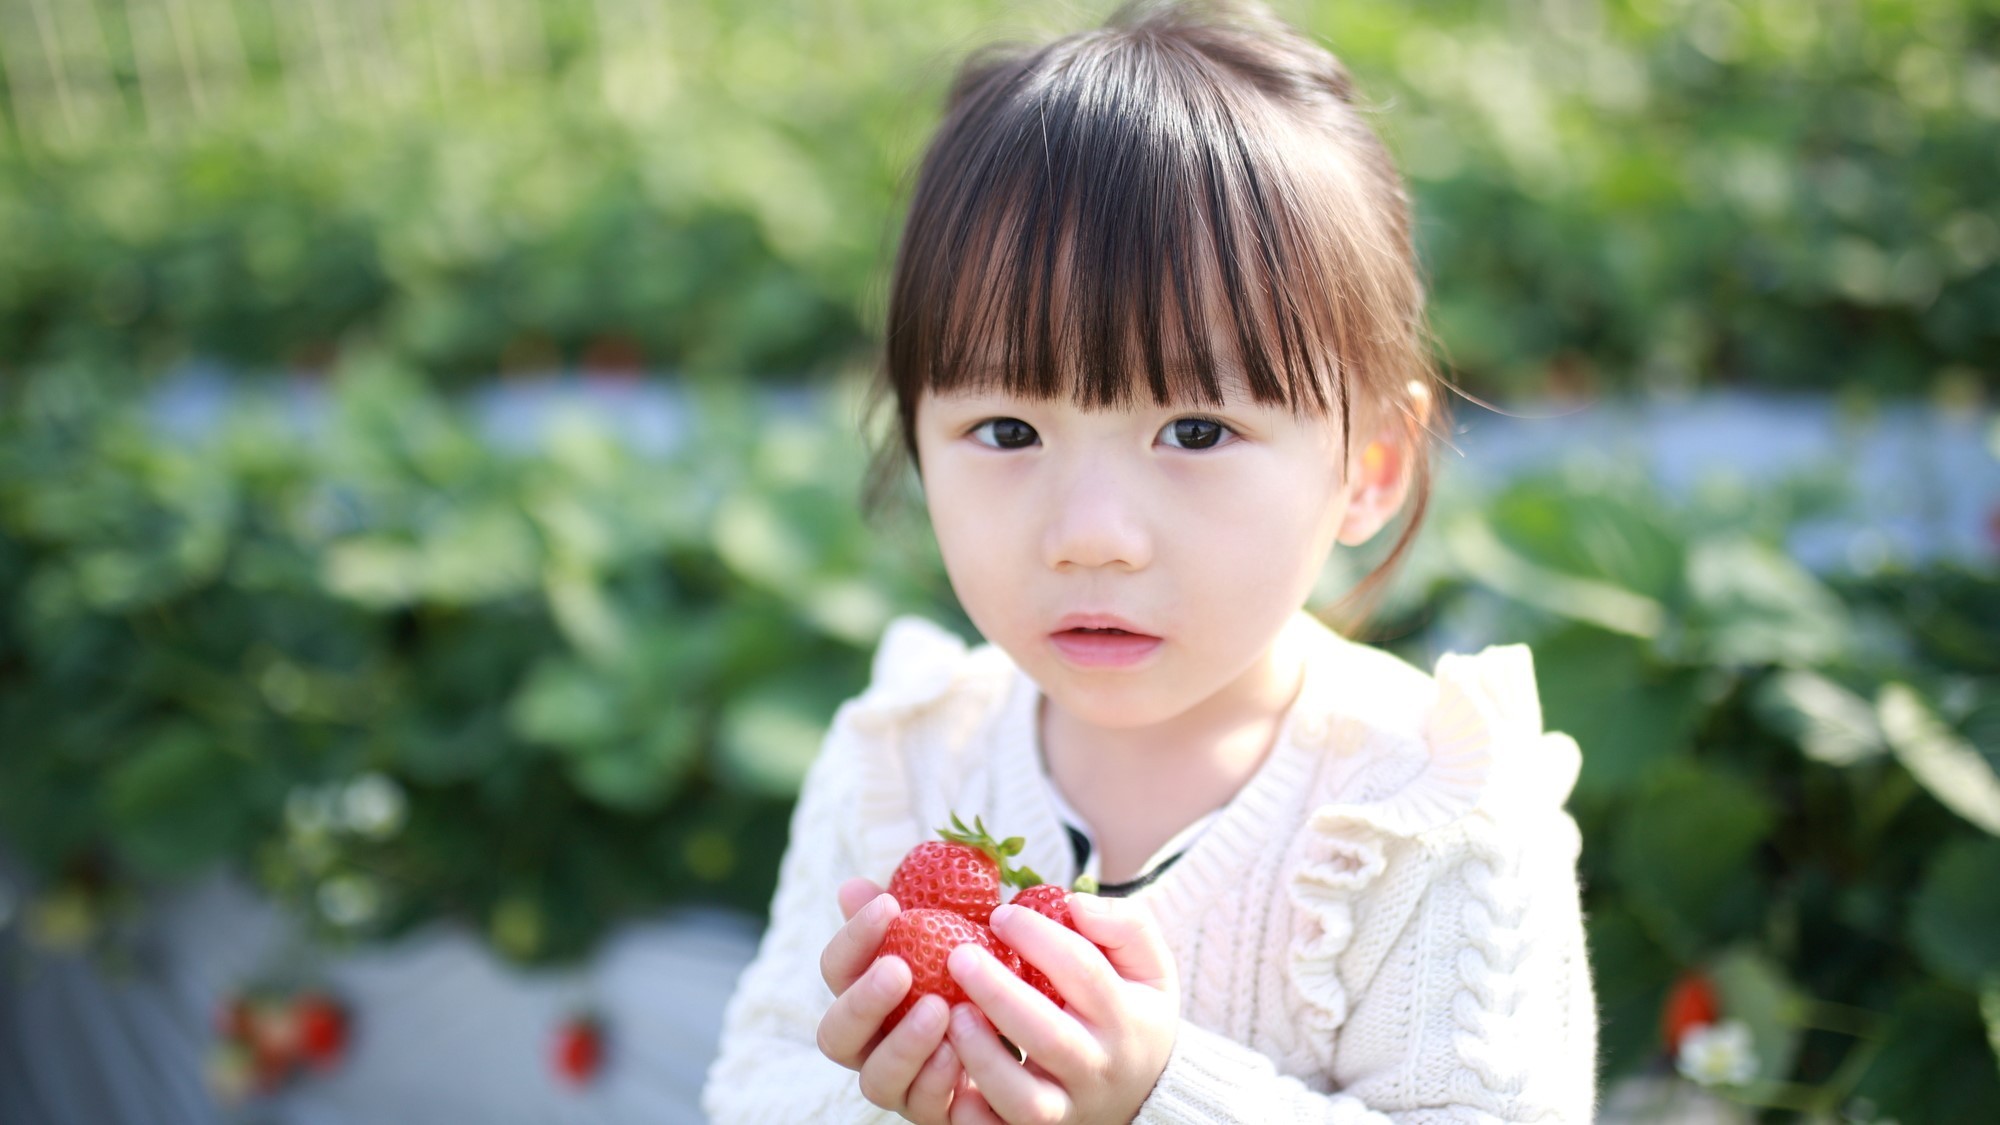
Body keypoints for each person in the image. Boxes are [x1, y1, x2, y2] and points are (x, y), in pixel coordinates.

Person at [704, 1, 1597, 1120]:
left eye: (1195, 431)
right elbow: (757, 1084)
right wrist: (888, 1097)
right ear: (917, 439)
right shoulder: (902, 764)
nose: (1091, 533)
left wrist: (1159, 1095)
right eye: (1007, 431)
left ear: (1369, 465)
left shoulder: (1428, 810)